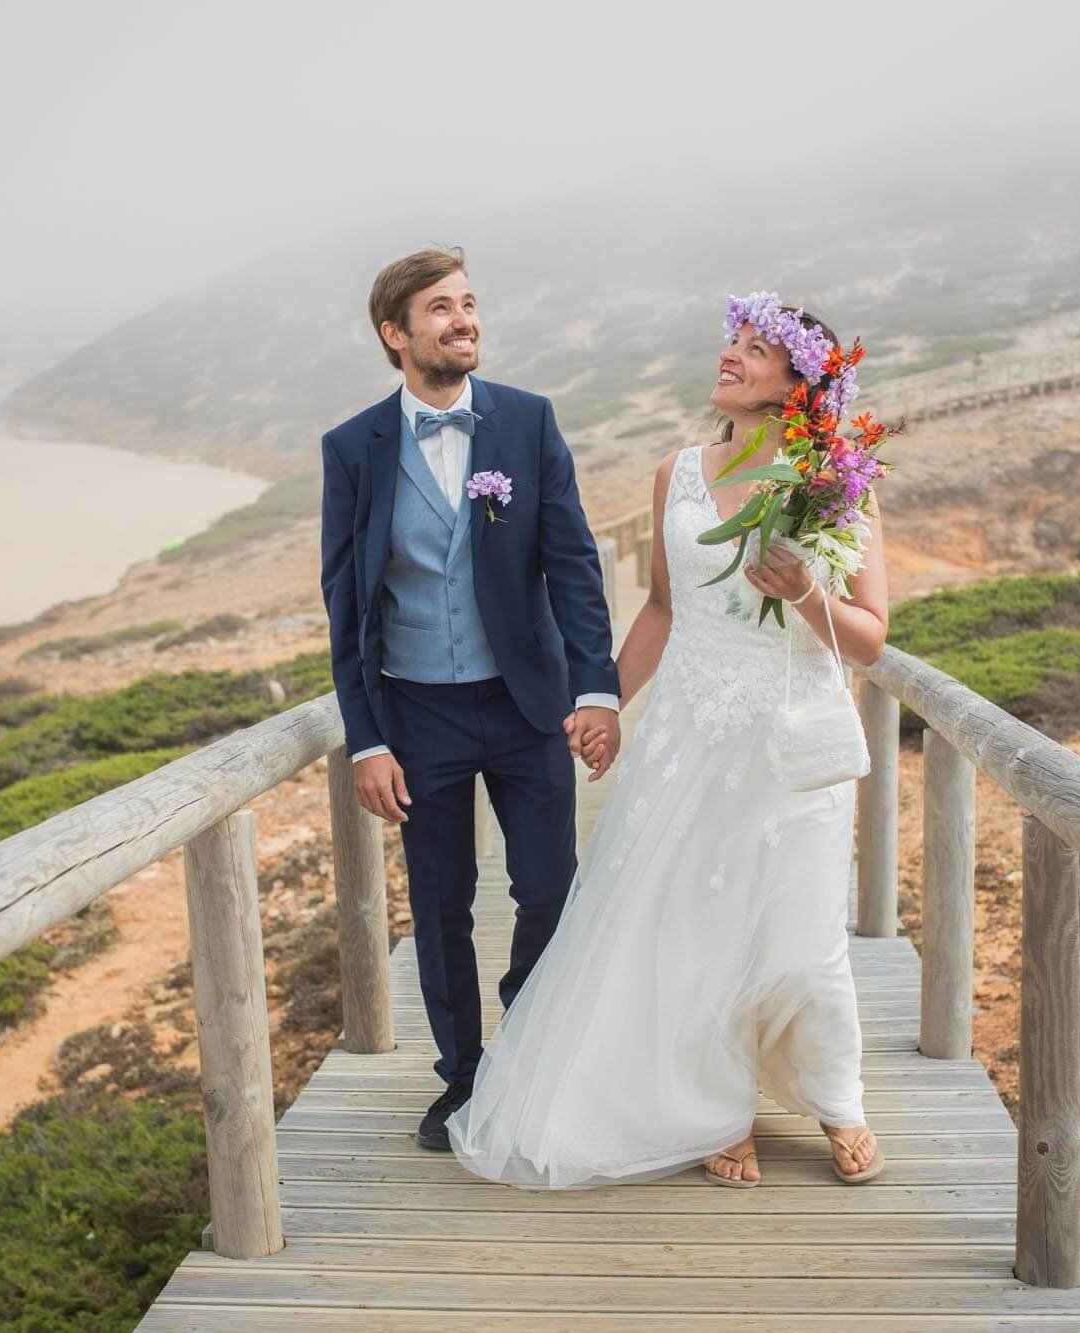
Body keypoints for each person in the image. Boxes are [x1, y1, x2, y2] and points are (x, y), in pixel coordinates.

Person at [445, 296, 891, 1189]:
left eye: (756, 348)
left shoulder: (833, 482)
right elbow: (661, 605)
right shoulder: (676, 473)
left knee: (802, 935)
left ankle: (838, 1096)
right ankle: (715, 1106)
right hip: (690, 731)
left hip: (788, 735)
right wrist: (605, 697)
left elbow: (871, 634)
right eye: (733, 339)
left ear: (798, 384)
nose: (730, 354)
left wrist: (805, 591)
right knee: (692, 927)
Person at [318, 246, 623, 1151]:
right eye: (442, 309)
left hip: (526, 704)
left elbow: (571, 563)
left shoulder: (527, 424)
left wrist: (595, 686)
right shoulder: (353, 449)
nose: (464, 321)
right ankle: (462, 1076)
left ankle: (527, 1045)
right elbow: (345, 608)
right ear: (395, 333)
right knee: (442, 903)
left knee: (548, 888)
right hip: (417, 718)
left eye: (469, 304)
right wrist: (365, 739)